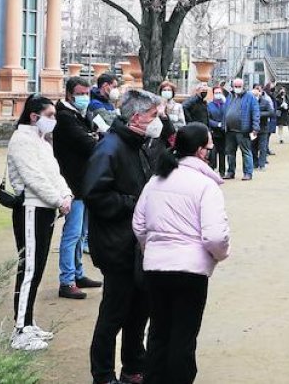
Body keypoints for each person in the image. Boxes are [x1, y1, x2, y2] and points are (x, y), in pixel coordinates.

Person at [81, 89, 170, 384]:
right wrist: (134, 204)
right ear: (137, 117)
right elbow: (95, 194)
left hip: (138, 246)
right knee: (114, 314)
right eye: (154, 116)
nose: (158, 121)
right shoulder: (109, 148)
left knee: (139, 311)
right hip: (116, 246)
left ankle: (133, 366)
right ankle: (103, 375)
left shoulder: (139, 144)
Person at [133, 122, 230, 384]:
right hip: (190, 270)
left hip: (156, 267)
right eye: (209, 147)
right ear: (200, 151)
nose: (210, 152)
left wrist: (151, 248)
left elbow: (139, 223)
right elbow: (215, 235)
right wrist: (218, 255)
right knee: (183, 337)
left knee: (158, 332)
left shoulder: (156, 179)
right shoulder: (205, 185)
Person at [6, 94, 74, 351]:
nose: (53, 120)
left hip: (46, 209)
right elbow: (33, 177)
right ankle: (20, 330)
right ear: (34, 117)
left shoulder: (42, 141)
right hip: (31, 209)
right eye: (50, 116)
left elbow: (54, 174)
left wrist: (65, 194)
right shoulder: (21, 139)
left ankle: (28, 321)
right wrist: (59, 199)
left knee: (37, 269)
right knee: (29, 270)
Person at [53, 76, 103, 300]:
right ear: (70, 94)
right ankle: (67, 280)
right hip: (72, 184)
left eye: (87, 93)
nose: (85, 97)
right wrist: (94, 137)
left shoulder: (79, 115)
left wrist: (94, 136)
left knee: (80, 233)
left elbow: (94, 137)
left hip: (83, 183)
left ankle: (78, 274)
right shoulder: (65, 117)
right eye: (81, 93)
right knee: (72, 234)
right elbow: (89, 143)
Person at [223, 77, 260, 181]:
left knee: (246, 152)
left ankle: (248, 173)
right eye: (236, 86)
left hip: (243, 130)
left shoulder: (250, 97)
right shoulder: (230, 96)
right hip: (230, 130)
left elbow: (255, 113)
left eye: (239, 86)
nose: (237, 88)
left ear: (243, 86)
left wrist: (255, 128)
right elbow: (225, 111)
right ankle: (230, 171)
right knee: (230, 152)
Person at [207, 86, 229, 173]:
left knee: (222, 152)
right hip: (214, 132)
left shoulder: (226, 105)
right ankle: (211, 169)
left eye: (219, 93)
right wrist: (217, 124)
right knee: (213, 151)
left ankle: (222, 171)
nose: (218, 94)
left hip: (224, 132)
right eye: (216, 93)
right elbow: (208, 118)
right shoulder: (209, 105)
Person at [254, 82, 273, 169]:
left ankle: (262, 164)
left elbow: (271, 112)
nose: (257, 92)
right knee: (252, 146)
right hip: (253, 128)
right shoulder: (250, 101)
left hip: (263, 127)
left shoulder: (265, 102)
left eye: (259, 90)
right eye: (255, 90)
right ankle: (255, 163)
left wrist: (259, 114)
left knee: (263, 147)